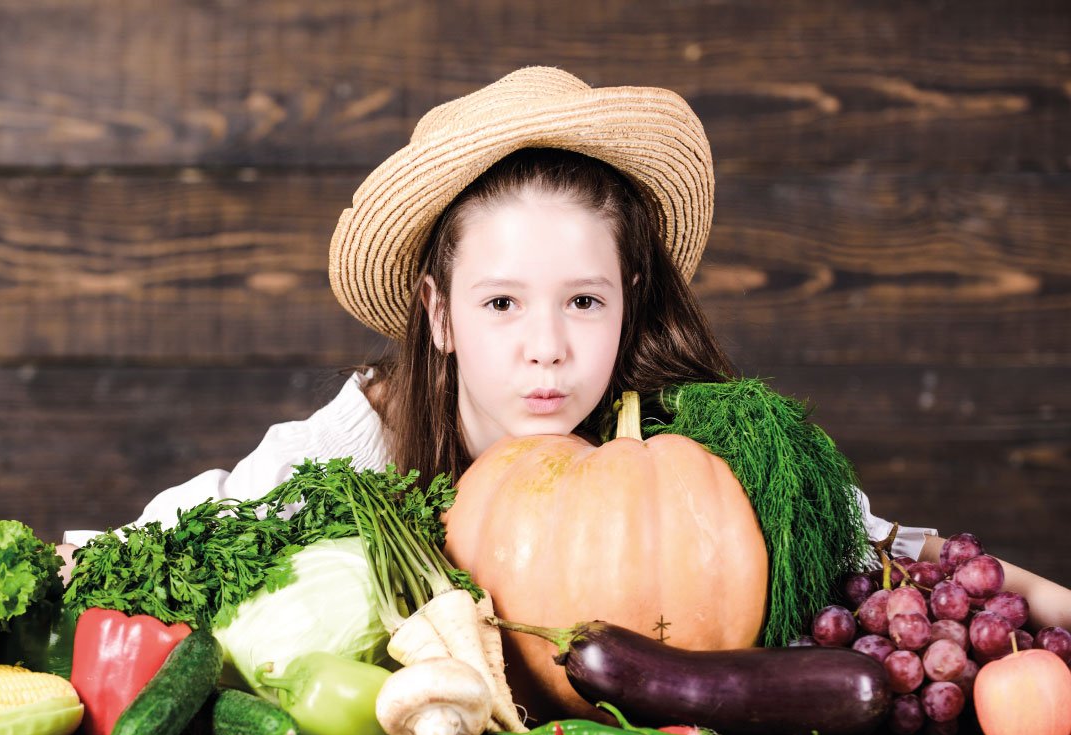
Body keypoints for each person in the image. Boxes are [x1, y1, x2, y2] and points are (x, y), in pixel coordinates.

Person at [56, 66, 1070, 631]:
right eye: (501, 304)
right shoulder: (371, 441)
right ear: (441, 315)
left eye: (582, 300)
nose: (547, 350)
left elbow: (885, 546)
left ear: (629, 301)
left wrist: (1048, 604)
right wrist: (69, 565)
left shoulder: (691, 444)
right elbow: (197, 524)